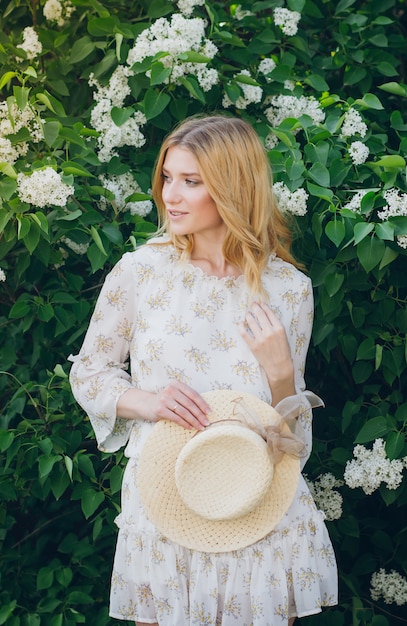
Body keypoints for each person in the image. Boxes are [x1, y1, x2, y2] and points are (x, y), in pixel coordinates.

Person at [69, 114, 338, 626]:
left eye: (191, 182)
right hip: (165, 503)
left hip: (256, 507)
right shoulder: (140, 273)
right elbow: (89, 374)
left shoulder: (288, 289)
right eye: (168, 177)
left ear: (233, 188)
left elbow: (294, 443)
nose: (171, 195)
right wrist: (148, 402)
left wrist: (282, 374)